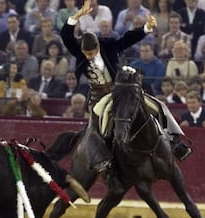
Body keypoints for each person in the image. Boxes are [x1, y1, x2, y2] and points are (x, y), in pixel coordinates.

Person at [61, 0, 191, 164]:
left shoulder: (108, 46)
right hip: (98, 96)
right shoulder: (79, 50)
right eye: (86, 53)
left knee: (158, 106)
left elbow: (127, 39)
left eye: (92, 52)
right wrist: (76, 16)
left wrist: (146, 28)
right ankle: (103, 157)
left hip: (120, 90)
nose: (89, 56)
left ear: (98, 47)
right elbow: (65, 35)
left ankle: (175, 142)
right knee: (101, 120)